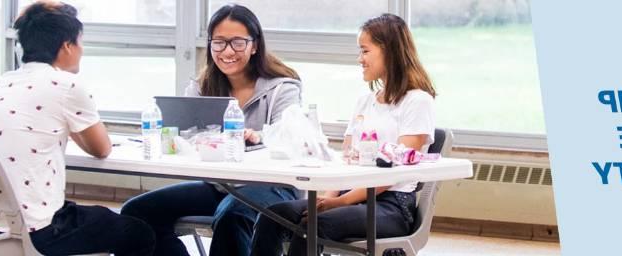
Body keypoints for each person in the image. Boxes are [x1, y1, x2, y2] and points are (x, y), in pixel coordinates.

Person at [0, 1, 155, 255]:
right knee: (138, 233)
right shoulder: (67, 85)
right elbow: (101, 149)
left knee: (94, 217)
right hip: (36, 233)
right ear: (67, 45)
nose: (82, 49)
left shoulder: (0, 83)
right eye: (80, 42)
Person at [120, 4, 303, 256]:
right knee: (138, 211)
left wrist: (259, 136)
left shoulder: (283, 88)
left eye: (238, 42)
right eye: (219, 43)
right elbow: (186, 138)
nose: (227, 51)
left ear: (255, 45)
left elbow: (289, 134)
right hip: (221, 185)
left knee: (232, 214)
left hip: (274, 187)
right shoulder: (200, 87)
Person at [248, 13, 437, 256]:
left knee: (312, 225)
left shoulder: (418, 101)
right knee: (272, 216)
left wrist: (339, 203)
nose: (360, 59)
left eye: (365, 51)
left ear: (389, 51)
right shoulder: (364, 102)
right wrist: (328, 198)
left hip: (391, 206)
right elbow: (348, 160)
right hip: (351, 196)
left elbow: (394, 172)